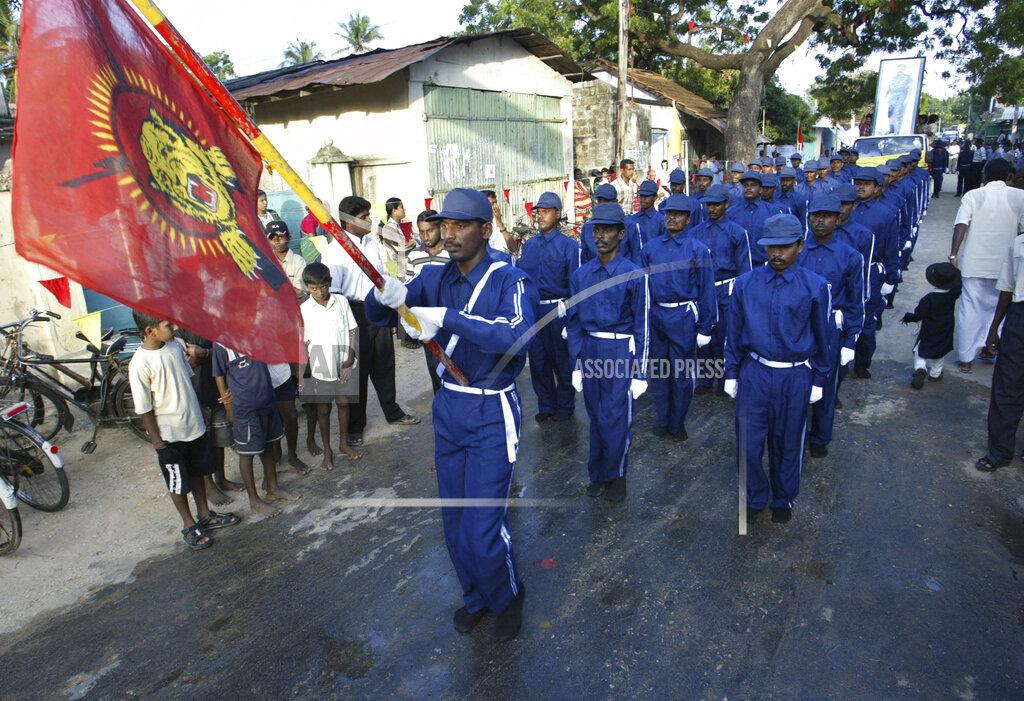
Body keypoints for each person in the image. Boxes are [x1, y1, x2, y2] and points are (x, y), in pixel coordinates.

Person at [364, 187, 534, 641]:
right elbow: (379, 317)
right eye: (446, 225)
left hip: (491, 409)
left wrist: (448, 318)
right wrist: (384, 294)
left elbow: (516, 335)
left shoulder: (508, 278)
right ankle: (476, 596)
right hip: (450, 405)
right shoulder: (436, 277)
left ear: (484, 228)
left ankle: (507, 596)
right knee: (455, 521)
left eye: (462, 225)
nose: (451, 234)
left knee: (482, 526)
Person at [724, 214, 831, 524]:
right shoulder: (745, 284)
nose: (777, 255)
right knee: (747, 440)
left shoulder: (815, 287)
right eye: (771, 248)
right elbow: (734, 331)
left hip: (794, 375)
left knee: (787, 441)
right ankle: (755, 495)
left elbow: (824, 336)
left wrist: (819, 378)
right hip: (755, 373)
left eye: (785, 247)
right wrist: (731, 372)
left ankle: (783, 497)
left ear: (800, 246)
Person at [128, 311, 240, 550]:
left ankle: (204, 514)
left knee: (200, 472)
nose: (176, 328)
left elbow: (186, 379)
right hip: (170, 435)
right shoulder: (140, 363)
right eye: (169, 325)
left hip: (194, 426)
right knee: (178, 482)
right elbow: (144, 408)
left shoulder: (176, 346)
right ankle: (189, 524)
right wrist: (158, 442)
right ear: (150, 331)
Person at [566, 202, 649, 503]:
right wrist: (576, 361)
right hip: (590, 348)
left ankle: (617, 475)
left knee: (616, 416)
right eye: (596, 229)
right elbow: (573, 322)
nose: (600, 236)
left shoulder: (634, 274)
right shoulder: (581, 275)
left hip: (619, 349)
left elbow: (642, 323)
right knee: (596, 415)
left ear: (621, 233)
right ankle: (598, 474)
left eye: (607, 230)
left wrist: (639, 370)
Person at [321, 195, 419, 447]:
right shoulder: (336, 251)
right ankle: (355, 425)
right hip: (353, 311)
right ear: (349, 221)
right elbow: (334, 292)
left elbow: (383, 273)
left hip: (377, 306)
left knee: (385, 362)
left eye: (369, 216)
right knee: (358, 368)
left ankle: (392, 411)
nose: (369, 221)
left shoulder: (372, 243)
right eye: (364, 218)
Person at [641, 195, 716, 440]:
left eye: (678, 214)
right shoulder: (650, 248)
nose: (672, 217)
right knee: (660, 371)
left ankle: (678, 422)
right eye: (668, 213)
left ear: (688, 218)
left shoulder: (697, 249)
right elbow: (642, 287)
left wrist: (706, 325)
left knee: (681, 372)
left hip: (683, 315)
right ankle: (664, 419)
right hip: (657, 314)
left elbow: (707, 289)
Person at [799, 195, 864, 458]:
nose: (820, 220)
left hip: (830, 328)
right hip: (799, 326)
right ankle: (797, 434)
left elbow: (855, 299)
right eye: (815, 215)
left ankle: (821, 437)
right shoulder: (798, 251)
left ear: (838, 219)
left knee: (825, 384)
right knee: (799, 384)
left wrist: (851, 339)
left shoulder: (850, 256)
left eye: (826, 215)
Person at [950, 158, 1024, 372]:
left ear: (984, 175)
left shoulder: (973, 195)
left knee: (970, 308)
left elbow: (961, 224)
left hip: (975, 261)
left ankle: (966, 358)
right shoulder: (1019, 196)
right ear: (1009, 176)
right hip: (1006, 264)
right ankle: (988, 348)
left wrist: (954, 253)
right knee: (999, 308)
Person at [213, 341, 300, 517]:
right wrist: (229, 406)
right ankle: (254, 501)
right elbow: (219, 376)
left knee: (268, 445)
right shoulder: (221, 343)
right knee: (246, 454)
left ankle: (273, 487)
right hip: (245, 408)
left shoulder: (254, 333)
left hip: (266, 399)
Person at [518, 192, 579, 423]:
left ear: (558, 214)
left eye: (546, 211)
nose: (540, 216)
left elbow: (575, 284)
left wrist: (571, 318)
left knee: (562, 360)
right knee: (538, 360)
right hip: (535, 311)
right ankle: (546, 405)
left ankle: (565, 406)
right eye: (538, 212)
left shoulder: (569, 247)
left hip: (559, 310)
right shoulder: (529, 246)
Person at [688, 183, 751, 394]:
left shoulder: (738, 232)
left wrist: (740, 298)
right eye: (708, 205)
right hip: (703, 289)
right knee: (704, 333)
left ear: (727, 204)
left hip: (727, 288)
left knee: (725, 335)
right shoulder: (695, 233)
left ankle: (725, 378)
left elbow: (745, 269)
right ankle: (706, 378)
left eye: (717, 205)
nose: (712, 209)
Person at [299, 262, 360, 470]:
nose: (319, 291)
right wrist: (303, 375)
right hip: (320, 363)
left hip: (343, 360)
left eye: (323, 286)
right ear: (307, 287)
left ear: (330, 283)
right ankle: (327, 450)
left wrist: (349, 360)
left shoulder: (341, 301)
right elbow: (305, 344)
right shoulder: (305, 309)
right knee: (323, 409)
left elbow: (353, 330)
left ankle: (343, 443)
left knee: (343, 404)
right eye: (314, 288)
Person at [976, 226, 1024, 471]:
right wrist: (994, 327)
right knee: (1007, 386)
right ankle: (1000, 451)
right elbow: (1007, 287)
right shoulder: (1019, 244)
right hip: (1019, 318)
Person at [850, 167, 900, 378]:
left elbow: (891, 248)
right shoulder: (845, 210)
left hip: (870, 274)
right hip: (845, 272)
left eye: (866, 184)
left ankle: (862, 363)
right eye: (858, 183)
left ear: (877, 188)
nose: (861, 187)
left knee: (866, 321)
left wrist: (890, 277)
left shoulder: (885, 214)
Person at [900, 262, 962, 389]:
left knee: (920, 350)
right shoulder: (953, 294)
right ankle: (935, 374)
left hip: (929, 329)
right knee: (940, 352)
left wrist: (908, 317)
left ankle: (920, 368)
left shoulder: (928, 299)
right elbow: (959, 285)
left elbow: (919, 315)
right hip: (946, 328)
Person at [409, 209, 451, 394]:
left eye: (430, 230)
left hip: (450, 319)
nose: (425, 236)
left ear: (441, 228)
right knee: (435, 369)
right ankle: (442, 407)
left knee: (456, 366)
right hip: (427, 322)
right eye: (421, 231)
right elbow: (408, 287)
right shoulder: (413, 257)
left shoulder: (452, 254)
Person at [580, 183, 643, 265]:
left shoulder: (629, 225)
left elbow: (637, 256)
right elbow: (584, 257)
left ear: (616, 202)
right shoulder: (587, 227)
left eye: (607, 201)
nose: (604, 204)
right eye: (600, 200)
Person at [726, 171, 773, 266]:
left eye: (753, 185)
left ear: (760, 190)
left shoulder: (771, 211)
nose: (748, 188)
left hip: (764, 265)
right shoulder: (731, 212)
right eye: (745, 185)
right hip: (738, 266)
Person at [266, 220, 309, 301]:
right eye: (272, 238)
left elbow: (299, 290)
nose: (276, 241)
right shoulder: (265, 262)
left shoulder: (298, 261)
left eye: (280, 236)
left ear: (289, 237)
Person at [629, 180, 666, 246]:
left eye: (647, 196)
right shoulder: (632, 219)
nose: (643, 199)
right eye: (641, 195)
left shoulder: (661, 220)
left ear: (655, 197)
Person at [483, 190, 516, 255]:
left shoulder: (496, 222)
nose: (496, 207)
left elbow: (513, 248)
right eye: (492, 204)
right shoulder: (479, 226)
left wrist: (500, 224)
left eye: (496, 203)